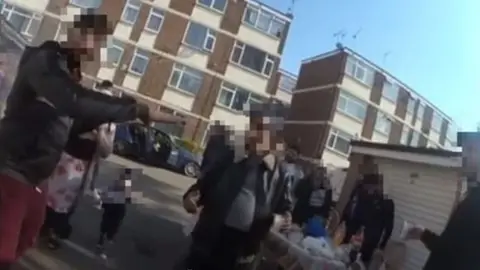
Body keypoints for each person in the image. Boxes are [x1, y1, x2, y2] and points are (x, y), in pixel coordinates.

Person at [0, 14, 184, 269]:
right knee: (4, 251)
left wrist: (110, 130)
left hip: (36, 176)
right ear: (72, 31)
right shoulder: (45, 60)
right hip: (12, 168)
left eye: (98, 41)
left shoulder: (67, 72)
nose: (91, 46)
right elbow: (73, 101)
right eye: (88, 35)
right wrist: (137, 109)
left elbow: (69, 126)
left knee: (28, 236)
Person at [180, 101, 293, 270]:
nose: (253, 133)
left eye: (261, 128)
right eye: (253, 125)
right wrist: (190, 197)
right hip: (210, 239)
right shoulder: (230, 155)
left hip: (243, 252)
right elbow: (203, 186)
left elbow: (285, 209)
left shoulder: (280, 173)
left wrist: (285, 219)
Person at [41, 79, 117, 250]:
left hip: (83, 164)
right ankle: (43, 224)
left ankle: (54, 229)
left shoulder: (109, 124)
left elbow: (106, 151)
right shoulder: (79, 110)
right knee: (50, 193)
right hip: (63, 156)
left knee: (66, 201)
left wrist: (99, 135)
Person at [342, 174, 394, 266]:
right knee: (349, 259)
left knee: (363, 263)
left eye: (371, 187)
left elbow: (389, 226)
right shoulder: (363, 195)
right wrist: (349, 232)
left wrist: (382, 245)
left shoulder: (387, 203)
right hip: (357, 237)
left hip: (371, 240)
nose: (368, 189)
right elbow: (356, 215)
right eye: (366, 187)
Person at [95, 167, 135, 260]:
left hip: (110, 207)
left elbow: (107, 193)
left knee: (104, 225)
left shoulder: (116, 182)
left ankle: (100, 242)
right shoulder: (127, 185)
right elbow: (129, 199)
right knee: (112, 231)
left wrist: (103, 203)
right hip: (118, 210)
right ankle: (104, 250)